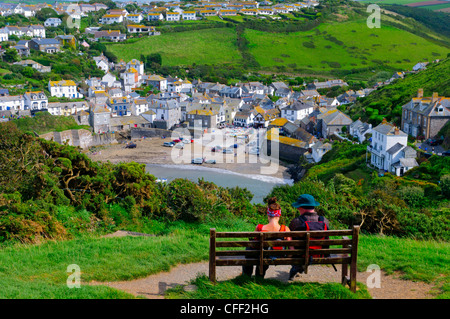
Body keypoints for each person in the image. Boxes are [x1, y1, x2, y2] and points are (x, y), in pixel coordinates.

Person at [242, 196, 291, 278]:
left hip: (260, 255)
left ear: (268, 215)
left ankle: (246, 275)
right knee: (265, 255)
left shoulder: (259, 228)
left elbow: (254, 244)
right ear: (279, 216)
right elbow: (290, 245)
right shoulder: (285, 229)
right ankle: (259, 277)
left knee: (252, 251)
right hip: (277, 256)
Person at [288, 194, 331, 281]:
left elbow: (290, 238)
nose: (297, 209)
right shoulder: (325, 221)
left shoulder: (296, 222)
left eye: (298, 207)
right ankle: (299, 268)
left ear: (302, 208)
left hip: (301, 254)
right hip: (320, 254)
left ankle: (297, 267)